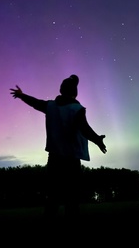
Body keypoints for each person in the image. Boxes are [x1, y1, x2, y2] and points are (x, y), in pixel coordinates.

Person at [10, 74, 107, 219]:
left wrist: (22, 95)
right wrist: (97, 140)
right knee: (72, 195)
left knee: (53, 195)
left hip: (54, 157)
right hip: (71, 159)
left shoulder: (50, 106)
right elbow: (84, 128)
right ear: (75, 92)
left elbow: (35, 103)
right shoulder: (77, 109)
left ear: (61, 89)